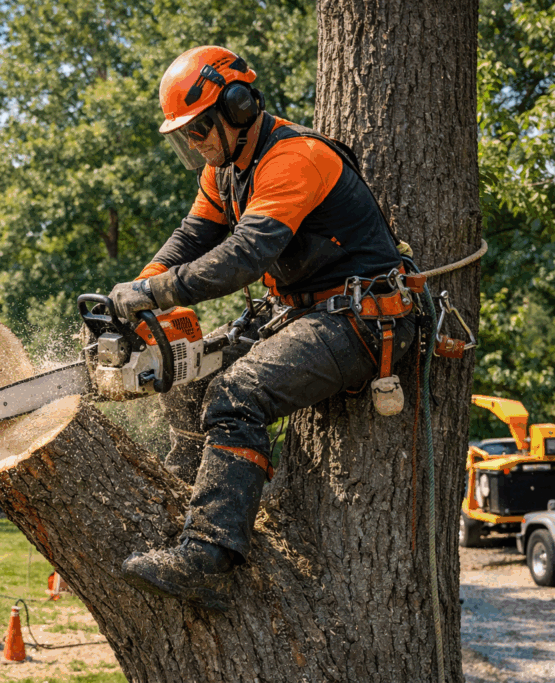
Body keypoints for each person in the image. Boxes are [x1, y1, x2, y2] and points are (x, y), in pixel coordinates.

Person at [110, 46, 419, 610]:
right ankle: (193, 505)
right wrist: (144, 284)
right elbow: (192, 238)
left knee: (237, 392)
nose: (198, 142)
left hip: (363, 317)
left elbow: (246, 255)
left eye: (201, 129)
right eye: (189, 133)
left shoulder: (293, 157)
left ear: (238, 106)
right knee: (190, 373)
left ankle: (207, 557)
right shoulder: (222, 170)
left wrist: (158, 291)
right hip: (305, 311)